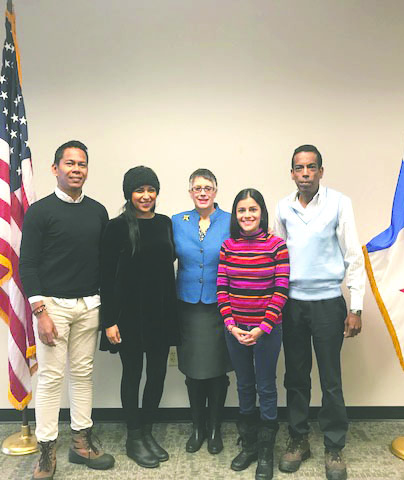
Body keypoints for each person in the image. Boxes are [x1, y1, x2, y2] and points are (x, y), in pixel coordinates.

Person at [19, 140, 114, 480]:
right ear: (55, 168)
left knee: (83, 375)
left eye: (82, 164)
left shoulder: (98, 211)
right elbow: (27, 265)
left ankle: (81, 442)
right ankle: (46, 452)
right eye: (69, 163)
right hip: (52, 309)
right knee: (50, 379)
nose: (76, 169)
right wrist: (40, 311)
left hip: (89, 306)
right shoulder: (40, 212)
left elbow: (105, 264)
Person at [274, 145, 365, 480]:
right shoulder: (283, 207)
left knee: (330, 379)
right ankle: (298, 440)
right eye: (299, 168)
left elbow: (354, 255)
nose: (306, 174)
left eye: (312, 167)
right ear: (292, 173)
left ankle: (334, 445)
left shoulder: (340, 203)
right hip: (292, 303)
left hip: (328, 302)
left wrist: (355, 306)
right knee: (296, 377)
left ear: (321, 171)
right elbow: (277, 257)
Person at [99, 166, 180, 469]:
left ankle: (146, 430)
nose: (146, 196)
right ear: (129, 194)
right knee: (132, 374)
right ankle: (133, 436)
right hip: (128, 316)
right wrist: (109, 320)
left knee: (158, 374)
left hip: (161, 313)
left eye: (151, 189)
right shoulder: (116, 227)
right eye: (139, 190)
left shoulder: (165, 223)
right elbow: (106, 278)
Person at [218, 188, 290, 480]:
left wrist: (262, 328)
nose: (247, 215)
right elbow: (222, 290)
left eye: (253, 210)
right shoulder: (228, 246)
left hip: (267, 331)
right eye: (241, 211)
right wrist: (232, 326)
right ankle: (248, 445)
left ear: (262, 213)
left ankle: (265, 451)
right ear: (236, 216)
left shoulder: (277, 246)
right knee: (245, 386)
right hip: (235, 331)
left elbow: (281, 290)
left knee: (266, 387)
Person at [172, 168, 233, 455]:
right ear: (190, 192)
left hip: (220, 306)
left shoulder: (231, 222)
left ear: (216, 191)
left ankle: (214, 429)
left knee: (217, 371)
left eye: (207, 187)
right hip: (187, 308)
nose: (202, 192)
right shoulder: (177, 222)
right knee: (194, 372)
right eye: (197, 188)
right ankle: (197, 427)